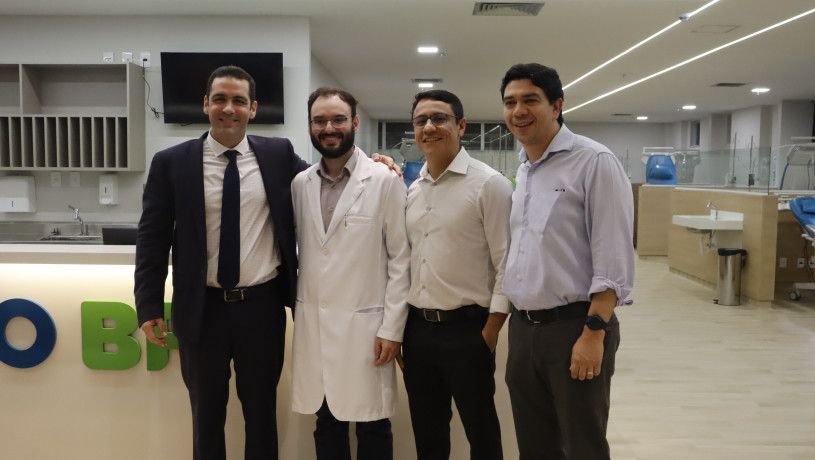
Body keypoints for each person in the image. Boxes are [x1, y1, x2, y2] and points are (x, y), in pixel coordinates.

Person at [134, 65, 310, 460]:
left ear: (253, 109)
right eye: (220, 99)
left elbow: (325, 181)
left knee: (261, 415)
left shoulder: (278, 154)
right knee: (206, 416)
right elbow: (152, 238)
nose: (228, 108)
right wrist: (147, 303)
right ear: (206, 104)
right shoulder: (171, 162)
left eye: (238, 101)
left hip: (262, 308)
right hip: (202, 310)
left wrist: (372, 164)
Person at [500, 63, 635, 460]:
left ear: (556, 105)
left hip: (575, 327)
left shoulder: (594, 161)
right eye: (510, 102)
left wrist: (593, 333)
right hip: (523, 330)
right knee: (535, 447)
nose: (518, 111)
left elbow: (614, 256)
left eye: (530, 100)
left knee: (582, 446)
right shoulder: (525, 169)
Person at [290, 87, 410, 460]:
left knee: (373, 425)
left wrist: (392, 329)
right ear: (310, 127)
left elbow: (401, 258)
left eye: (338, 119)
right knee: (326, 423)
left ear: (354, 122)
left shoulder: (384, 179)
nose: (329, 128)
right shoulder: (300, 183)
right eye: (320, 121)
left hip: (367, 329)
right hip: (316, 327)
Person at [402, 89, 513, 460]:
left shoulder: (489, 184)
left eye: (440, 118)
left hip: (468, 332)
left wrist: (490, 332)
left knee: (482, 435)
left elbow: (507, 263)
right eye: (421, 121)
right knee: (428, 437)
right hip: (417, 332)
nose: (429, 127)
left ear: (461, 126)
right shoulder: (413, 190)